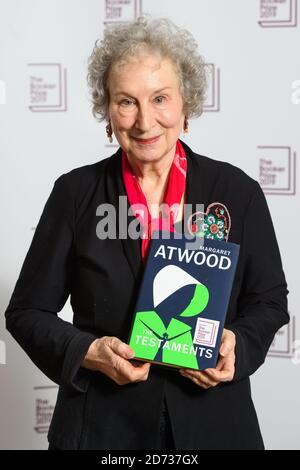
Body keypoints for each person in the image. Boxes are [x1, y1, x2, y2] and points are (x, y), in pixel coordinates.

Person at [5, 15, 289, 450]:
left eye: (160, 98)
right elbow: (26, 312)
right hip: (101, 428)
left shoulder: (238, 192)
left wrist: (238, 346)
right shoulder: (75, 194)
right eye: (126, 102)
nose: (144, 121)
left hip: (213, 426)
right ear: (107, 110)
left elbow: (268, 300)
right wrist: (88, 351)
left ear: (185, 102)